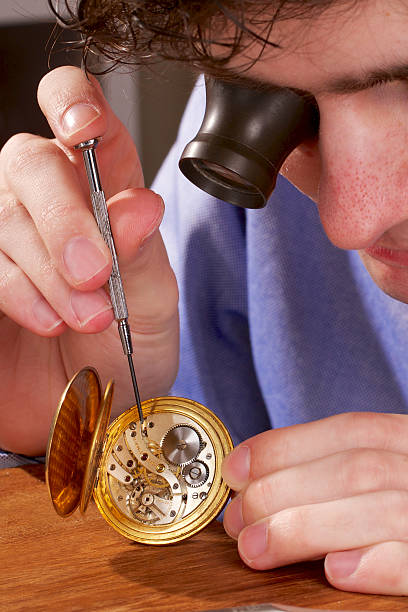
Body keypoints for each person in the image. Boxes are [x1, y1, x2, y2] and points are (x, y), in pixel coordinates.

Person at [1, 0, 408, 596]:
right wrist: (52, 442)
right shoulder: (276, 43)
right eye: (288, 115)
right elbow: (168, 506)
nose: (347, 224)